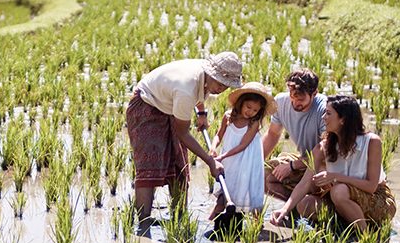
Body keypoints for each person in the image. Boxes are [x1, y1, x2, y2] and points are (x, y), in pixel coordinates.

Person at [126, 52, 243, 231]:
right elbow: (182, 132)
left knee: (179, 164)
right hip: (146, 105)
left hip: (170, 104)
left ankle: (179, 217)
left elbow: (199, 90)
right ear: (211, 73)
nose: (221, 89)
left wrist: (201, 113)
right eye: (219, 83)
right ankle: (143, 223)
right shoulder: (186, 87)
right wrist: (210, 161)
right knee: (149, 167)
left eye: (226, 86)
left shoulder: (202, 79)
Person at [270, 95, 396, 231]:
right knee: (304, 204)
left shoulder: (371, 142)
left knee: (339, 190)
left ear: (343, 119)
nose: (323, 117)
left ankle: (364, 233)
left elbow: (371, 186)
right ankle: (343, 225)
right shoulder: (323, 147)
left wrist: (335, 177)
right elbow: (304, 183)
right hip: (341, 201)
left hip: (376, 200)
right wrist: (284, 210)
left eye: (328, 113)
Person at [209, 81, 277, 218]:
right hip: (230, 159)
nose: (250, 112)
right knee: (226, 188)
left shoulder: (253, 122)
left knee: (249, 188)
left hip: (247, 160)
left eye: (255, 110)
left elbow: (243, 145)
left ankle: (257, 225)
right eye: (248, 107)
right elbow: (218, 135)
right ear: (241, 103)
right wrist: (213, 147)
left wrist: (222, 157)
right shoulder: (228, 117)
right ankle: (211, 220)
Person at [262, 69, 327, 202]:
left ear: (314, 93)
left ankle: (317, 206)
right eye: (292, 96)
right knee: (263, 176)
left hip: (325, 165)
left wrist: (292, 166)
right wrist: (254, 163)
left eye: (301, 99)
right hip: (303, 160)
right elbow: (273, 134)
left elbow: (325, 154)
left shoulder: (325, 110)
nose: (295, 103)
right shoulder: (280, 102)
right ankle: (294, 209)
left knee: (317, 179)